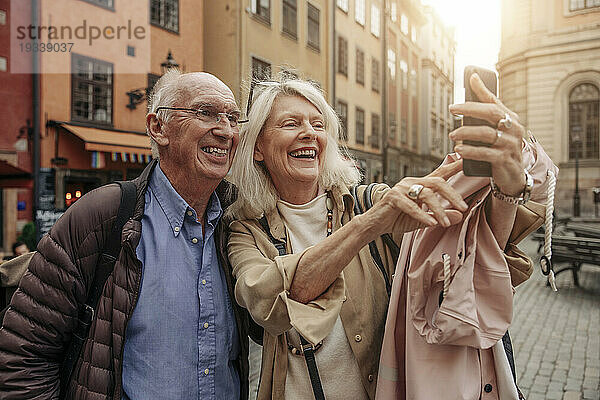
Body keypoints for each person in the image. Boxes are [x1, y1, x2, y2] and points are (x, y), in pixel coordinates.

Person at [226, 77, 553, 399]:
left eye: (318, 124)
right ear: (258, 148)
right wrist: (368, 226)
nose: (309, 133)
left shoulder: (371, 200)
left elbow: (468, 247)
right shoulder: (246, 230)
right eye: (290, 123)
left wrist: (506, 187)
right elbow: (267, 302)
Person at [0, 71, 250, 400]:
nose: (226, 130)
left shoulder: (239, 223)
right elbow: (25, 355)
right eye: (205, 112)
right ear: (158, 128)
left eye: (232, 118)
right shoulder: (102, 216)